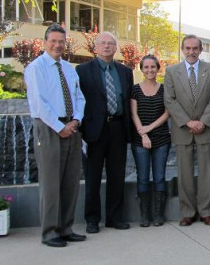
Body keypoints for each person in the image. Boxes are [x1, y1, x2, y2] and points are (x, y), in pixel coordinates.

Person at [25, 25, 86, 247]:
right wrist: (59, 126)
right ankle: (50, 232)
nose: (58, 45)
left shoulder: (69, 68)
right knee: (51, 184)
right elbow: (39, 103)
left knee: (71, 181)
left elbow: (80, 98)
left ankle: (66, 228)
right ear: (45, 41)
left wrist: (76, 120)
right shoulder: (36, 68)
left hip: (71, 127)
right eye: (53, 40)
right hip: (49, 128)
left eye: (61, 41)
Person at [77, 31, 133, 234]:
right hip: (93, 130)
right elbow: (78, 100)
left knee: (117, 175)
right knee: (92, 176)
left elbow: (127, 101)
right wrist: (81, 131)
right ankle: (92, 219)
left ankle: (115, 217)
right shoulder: (82, 70)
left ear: (116, 47)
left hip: (118, 127)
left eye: (111, 43)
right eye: (103, 43)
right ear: (95, 47)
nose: (107, 46)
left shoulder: (125, 72)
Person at [164, 35, 210, 227]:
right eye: (187, 48)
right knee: (184, 173)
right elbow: (169, 100)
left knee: (207, 172)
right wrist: (188, 122)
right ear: (182, 50)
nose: (191, 52)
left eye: (195, 48)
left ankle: (207, 212)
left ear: (200, 49)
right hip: (183, 129)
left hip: (205, 128)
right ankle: (188, 212)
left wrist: (203, 122)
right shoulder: (172, 71)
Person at [130, 55, 171, 227]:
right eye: (146, 67)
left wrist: (150, 128)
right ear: (141, 69)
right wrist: (143, 134)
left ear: (158, 68)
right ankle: (145, 215)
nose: (149, 70)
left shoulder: (164, 89)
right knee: (143, 177)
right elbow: (134, 114)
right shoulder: (135, 89)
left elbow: (167, 113)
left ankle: (158, 215)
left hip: (161, 138)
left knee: (160, 176)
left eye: (153, 67)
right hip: (140, 140)